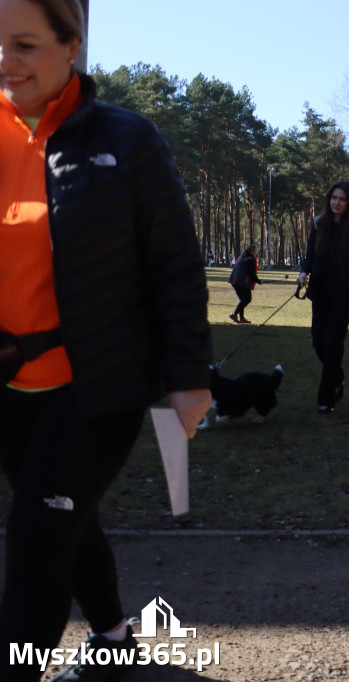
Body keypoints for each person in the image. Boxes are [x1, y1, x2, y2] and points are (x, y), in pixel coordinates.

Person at [0, 2, 213, 680]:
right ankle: (116, 639)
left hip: (96, 384)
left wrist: (188, 375)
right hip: (6, 390)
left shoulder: (129, 139)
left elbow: (175, 264)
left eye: (24, 44)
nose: (4, 60)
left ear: (71, 47)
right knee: (65, 516)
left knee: (37, 535)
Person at [297, 180, 349, 415]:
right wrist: (303, 272)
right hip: (320, 292)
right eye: (334, 198)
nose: (337, 202)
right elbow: (310, 254)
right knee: (318, 341)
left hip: (344, 294)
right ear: (329, 199)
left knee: (333, 344)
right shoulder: (319, 223)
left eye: (342, 199)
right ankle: (337, 375)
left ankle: (326, 398)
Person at [228, 243, 262, 324]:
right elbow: (251, 274)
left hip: (234, 281)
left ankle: (242, 318)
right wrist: (258, 281)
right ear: (252, 251)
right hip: (242, 282)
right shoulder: (251, 259)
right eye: (255, 250)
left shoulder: (242, 257)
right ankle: (234, 314)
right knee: (247, 299)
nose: (256, 252)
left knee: (242, 299)